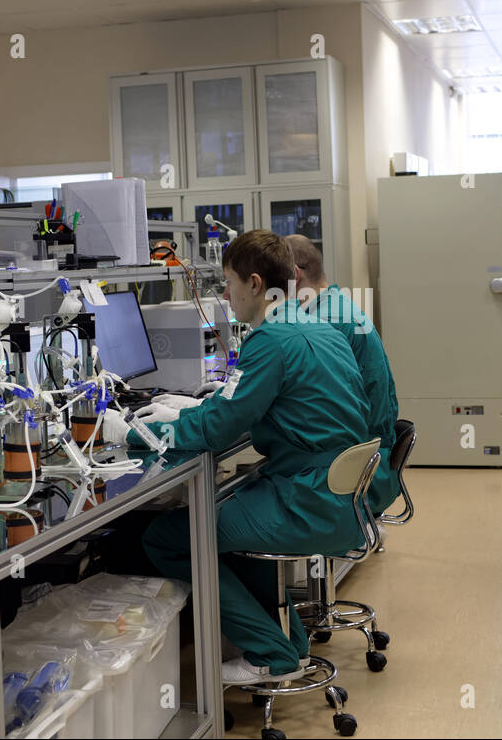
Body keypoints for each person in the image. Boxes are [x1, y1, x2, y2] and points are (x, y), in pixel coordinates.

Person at [100, 230, 374, 685]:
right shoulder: (316, 326)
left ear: (252, 283)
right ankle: (291, 645)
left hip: (308, 502)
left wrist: (138, 430)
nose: (224, 296)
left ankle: (272, 653)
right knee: (228, 522)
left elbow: (217, 428)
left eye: (227, 283)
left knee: (169, 537)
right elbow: (247, 405)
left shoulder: (269, 341)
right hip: (336, 497)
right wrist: (197, 408)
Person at [284, 234, 400, 516]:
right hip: (374, 450)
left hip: (356, 463)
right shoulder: (336, 304)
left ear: (295, 275)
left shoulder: (324, 321)